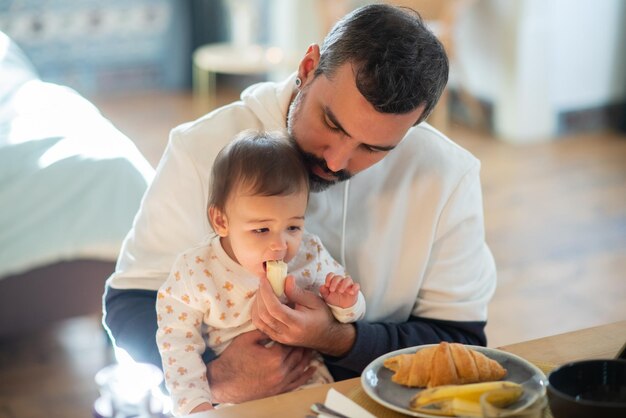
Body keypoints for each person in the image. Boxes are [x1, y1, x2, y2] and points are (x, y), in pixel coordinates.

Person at [104, 3, 496, 404]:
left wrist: (339, 340)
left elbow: (460, 340)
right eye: (331, 123)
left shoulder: (448, 177)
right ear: (308, 66)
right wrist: (215, 378)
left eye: (373, 148)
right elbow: (129, 303)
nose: (336, 161)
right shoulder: (199, 151)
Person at [156, 130, 365, 415]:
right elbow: (176, 343)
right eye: (261, 230)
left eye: (293, 227)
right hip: (236, 401)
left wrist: (347, 303)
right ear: (221, 221)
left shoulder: (309, 254)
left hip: (311, 389)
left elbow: (350, 315)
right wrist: (196, 405)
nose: (280, 245)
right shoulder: (196, 272)